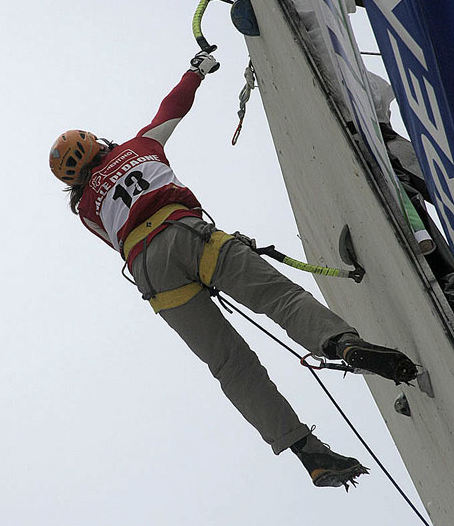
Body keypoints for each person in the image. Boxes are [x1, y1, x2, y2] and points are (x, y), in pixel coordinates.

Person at [49, 51, 417, 490]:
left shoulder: (86, 210)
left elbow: (118, 237)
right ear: (98, 143)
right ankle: (342, 343)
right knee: (279, 298)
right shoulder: (139, 147)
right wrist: (196, 71)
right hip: (188, 233)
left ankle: (307, 452)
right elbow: (172, 108)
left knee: (229, 363)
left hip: (153, 274)